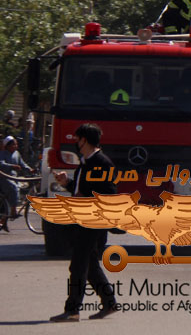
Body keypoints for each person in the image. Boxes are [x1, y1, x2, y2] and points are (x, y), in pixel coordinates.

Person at [51, 123, 121, 322]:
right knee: (89, 264)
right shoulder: (86, 163)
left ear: (85, 140)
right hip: (82, 221)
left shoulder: (102, 163)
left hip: (93, 222)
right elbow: (80, 191)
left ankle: (72, 310)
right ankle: (109, 303)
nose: (75, 142)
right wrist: (67, 183)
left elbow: (109, 194)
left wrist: (88, 199)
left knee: (78, 266)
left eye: (77, 139)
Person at [0, 135, 35, 229]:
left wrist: (30, 169)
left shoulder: (17, 154)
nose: (16, 146)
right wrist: (12, 166)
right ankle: (13, 211)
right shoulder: (2, 154)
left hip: (14, 178)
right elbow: (1, 164)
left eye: (16, 144)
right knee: (14, 188)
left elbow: (22, 164)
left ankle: (4, 220)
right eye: (13, 145)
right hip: (4, 178)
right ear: (7, 146)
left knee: (20, 187)